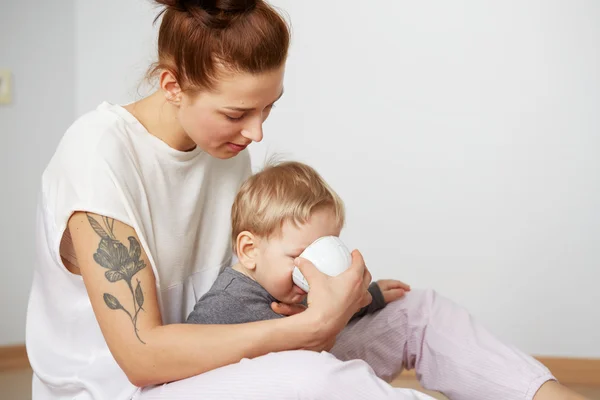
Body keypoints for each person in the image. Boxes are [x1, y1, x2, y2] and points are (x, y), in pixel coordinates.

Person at [25, 0, 587, 399]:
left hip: (218, 364)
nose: (256, 133)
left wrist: (336, 302)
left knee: (419, 313)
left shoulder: (225, 151)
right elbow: (142, 357)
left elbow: (238, 293)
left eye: (268, 108)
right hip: (133, 390)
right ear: (173, 85)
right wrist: (306, 331)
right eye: (236, 112)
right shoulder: (97, 156)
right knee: (311, 380)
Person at [185, 160, 408, 326]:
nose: (313, 270)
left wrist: (370, 297)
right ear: (250, 250)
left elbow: (327, 309)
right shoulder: (225, 304)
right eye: (297, 257)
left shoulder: (291, 287)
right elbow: (191, 352)